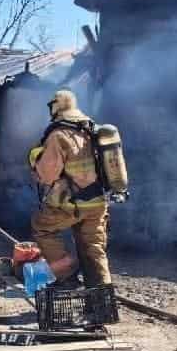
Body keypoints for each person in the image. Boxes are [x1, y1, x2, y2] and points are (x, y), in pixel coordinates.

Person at [29, 90, 111, 286]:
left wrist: (35, 159)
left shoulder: (59, 135)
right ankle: (102, 294)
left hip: (70, 203)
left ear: (56, 107)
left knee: (43, 228)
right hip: (99, 201)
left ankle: (68, 278)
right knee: (93, 245)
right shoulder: (93, 129)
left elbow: (48, 174)